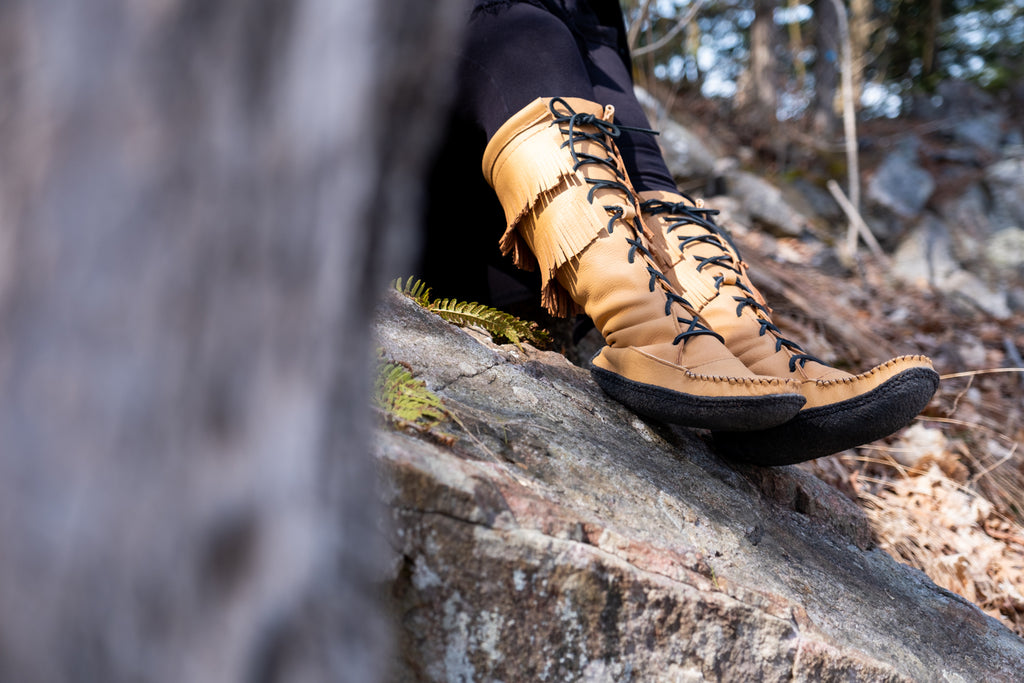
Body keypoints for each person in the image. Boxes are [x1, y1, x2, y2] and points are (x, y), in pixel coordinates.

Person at [420, 0, 939, 464]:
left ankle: (750, 356)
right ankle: (641, 327)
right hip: (429, 212)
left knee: (607, 81)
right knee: (527, 32)